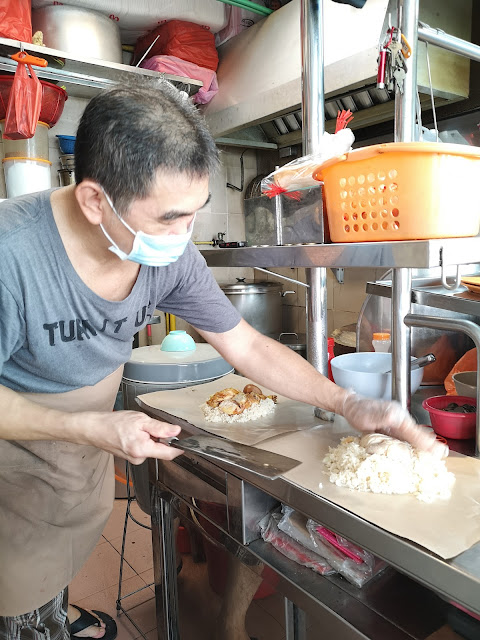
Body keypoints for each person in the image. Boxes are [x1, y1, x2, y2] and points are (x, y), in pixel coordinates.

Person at [0, 80, 447, 640]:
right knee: (12, 593)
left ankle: (54, 616)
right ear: (95, 201)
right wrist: (88, 425)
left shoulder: (169, 256)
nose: (184, 237)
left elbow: (247, 345)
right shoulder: (11, 253)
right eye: (169, 218)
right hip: (13, 448)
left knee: (54, 562)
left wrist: (345, 400)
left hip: (84, 446)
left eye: (195, 215)